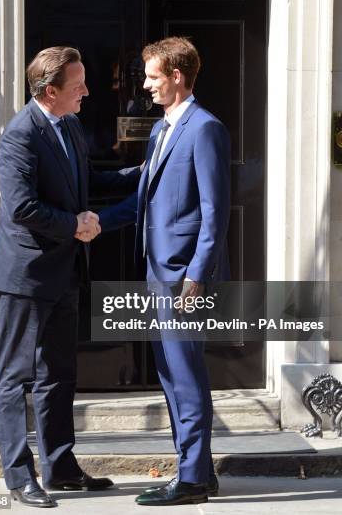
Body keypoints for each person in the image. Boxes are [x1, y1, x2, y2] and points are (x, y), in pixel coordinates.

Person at [0, 46, 141, 508]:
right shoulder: (20, 135)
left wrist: (146, 173)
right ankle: (18, 476)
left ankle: (61, 466)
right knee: (15, 377)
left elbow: (87, 181)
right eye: (78, 86)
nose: (87, 92)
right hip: (26, 275)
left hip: (66, 270)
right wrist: (75, 225)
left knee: (59, 374)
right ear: (49, 91)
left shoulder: (68, 124)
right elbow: (22, 207)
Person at [99, 37, 231, 506]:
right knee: (171, 377)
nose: (147, 85)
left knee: (186, 376)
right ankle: (196, 472)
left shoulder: (205, 129)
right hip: (156, 272)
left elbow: (215, 214)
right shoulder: (160, 131)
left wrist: (197, 276)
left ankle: (193, 479)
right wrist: (97, 223)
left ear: (177, 76)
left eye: (153, 76)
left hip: (183, 278)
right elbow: (143, 200)